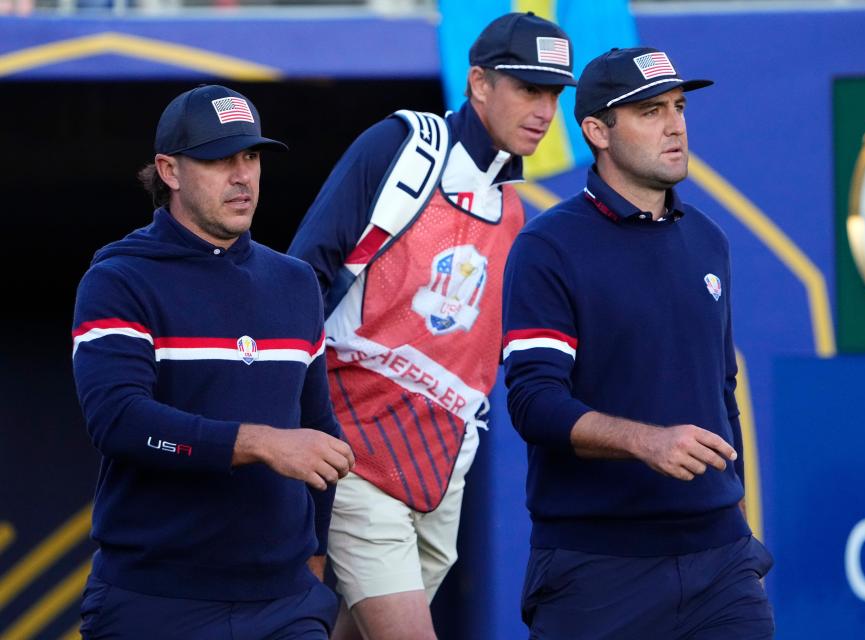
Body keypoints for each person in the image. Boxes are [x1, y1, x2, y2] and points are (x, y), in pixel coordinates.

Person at [287, 12, 576, 640]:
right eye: (529, 89)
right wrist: (300, 423)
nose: (545, 109)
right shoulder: (401, 145)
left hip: (441, 467)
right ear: (477, 83)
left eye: (554, 94)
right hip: (354, 446)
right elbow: (301, 274)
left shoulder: (514, 211)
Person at [501, 47, 775, 639]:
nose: (675, 124)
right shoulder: (548, 245)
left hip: (720, 562)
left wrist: (738, 515)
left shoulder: (709, 240)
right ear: (597, 131)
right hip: (598, 569)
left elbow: (720, 391)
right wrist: (644, 442)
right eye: (650, 111)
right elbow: (534, 403)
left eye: (678, 107)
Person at [71, 84, 355, 639]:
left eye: (250, 157)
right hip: (157, 599)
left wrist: (314, 557)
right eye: (219, 159)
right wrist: (258, 443)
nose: (242, 176)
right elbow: (119, 421)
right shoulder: (119, 278)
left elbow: (316, 429)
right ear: (168, 171)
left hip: (285, 602)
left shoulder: (294, 282)